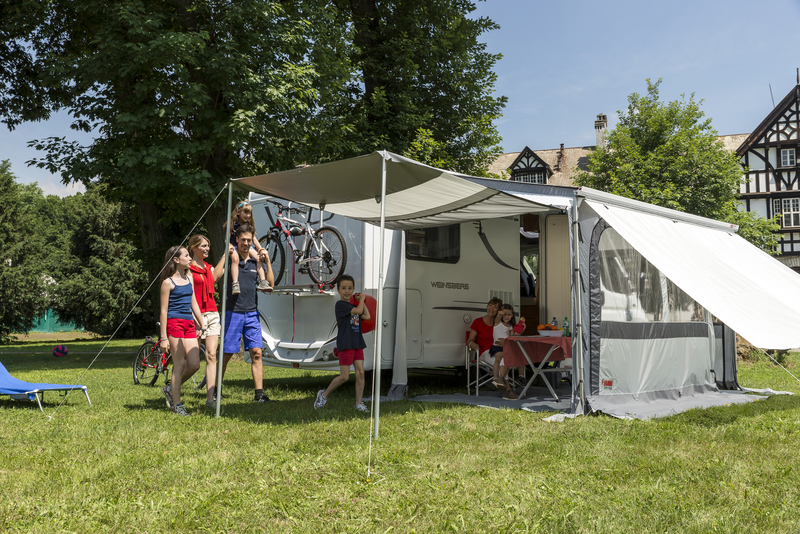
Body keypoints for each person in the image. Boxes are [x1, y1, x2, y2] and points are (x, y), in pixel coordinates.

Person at [220, 223, 274, 402]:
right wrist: (225, 255)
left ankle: (259, 395)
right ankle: (216, 390)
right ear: (236, 239)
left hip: (251, 313)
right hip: (233, 312)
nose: (246, 243)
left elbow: (270, 286)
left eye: (249, 240)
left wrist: (267, 261)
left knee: (256, 353)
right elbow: (215, 277)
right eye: (243, 239)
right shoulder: (231, 258)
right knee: (226, 354)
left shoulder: (256, 260)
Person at [314, 274, 371, 412]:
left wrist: (361, 301)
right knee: (344, 377)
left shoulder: (353, 306)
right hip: (346, 343)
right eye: (344, 288)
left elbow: (367, 316)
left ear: (353, 289)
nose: (347, 291)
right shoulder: (341, 305)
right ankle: (323, 395)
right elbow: (359, 311)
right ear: (338, 290)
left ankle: (358, 404)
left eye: (350, 288)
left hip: (357, 342)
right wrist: (361, 300)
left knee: (360, 373)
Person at [159, 245, 205, 416]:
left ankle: (169, 389)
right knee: (179, 364)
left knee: (194, 364)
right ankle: (177, 405)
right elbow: (163, 311)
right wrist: (164, 337)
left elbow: (194, 303)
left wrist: (201, 324)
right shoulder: (167, 283)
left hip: (189, 324)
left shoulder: (189, 278)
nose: (190, 258)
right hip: (174, 324)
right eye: (186, 255)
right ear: (176, 260)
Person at [187, 234, 227, 409]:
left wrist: (225, 255)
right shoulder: (187, 268)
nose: (207, 248)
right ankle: (173, 387)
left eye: (208, 246)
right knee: (193, 363)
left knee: (211, 355)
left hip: (212, 313)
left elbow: (215, 277)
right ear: (194, 248)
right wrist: (194, 318)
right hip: (196, 315)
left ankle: (210, 399)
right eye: (203, 246)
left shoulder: (208, 268)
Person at [225, 200, 270, 295]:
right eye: (245, 212)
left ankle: (263, 281)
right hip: (234, 245)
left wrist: (260, 249)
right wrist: (229, 246)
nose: (248, 215)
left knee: (258, 257)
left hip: (246, 246)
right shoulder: (232, 224)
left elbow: (254, 239)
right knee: (235, 259)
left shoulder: (248, 225)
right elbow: (226, 239)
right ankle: (235, 283)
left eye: (249, 213)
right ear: (238, 212)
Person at [491, 304, 526, 400]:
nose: (506, 316)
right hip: (497, 347)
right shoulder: (497, 322)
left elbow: (513, 336)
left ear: (512, 315)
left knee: (510, 355)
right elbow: (498, 316)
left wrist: (522, 329)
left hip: (506, 347)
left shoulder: (510, 326)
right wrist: (501, 312)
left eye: (509, 314)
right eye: (505, 314)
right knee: (500, 357)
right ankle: (496, 378)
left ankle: (500, 379)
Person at [467, 297, 502, 367]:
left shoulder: (500, 324)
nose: (491, 308)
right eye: (490, 305)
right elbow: (469, 341)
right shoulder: (478, 322)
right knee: (501, 363)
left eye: (495, 307)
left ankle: (499, 374)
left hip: (498, 351)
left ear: (499, 311)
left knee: (506, 361)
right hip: (484, 352)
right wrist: (472, 344)